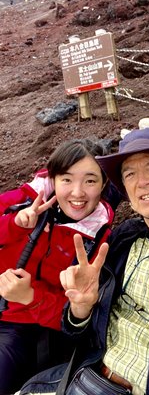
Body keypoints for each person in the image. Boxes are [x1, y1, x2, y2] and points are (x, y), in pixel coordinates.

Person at [31, 127, 149, 395]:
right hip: (87, 378)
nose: (142, 181)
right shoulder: (122, 240)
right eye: (130, 174)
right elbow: (77, 335)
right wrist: (80, 309)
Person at [0, 137, 118, 394]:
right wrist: (13, 225)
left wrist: (30, 297)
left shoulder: (99, 242)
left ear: (104, 184)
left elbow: (73, 319)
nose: (77, 192)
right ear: (52, 179)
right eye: (66, 179)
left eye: (90, 180)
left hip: (23, 327)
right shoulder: (23, 200)